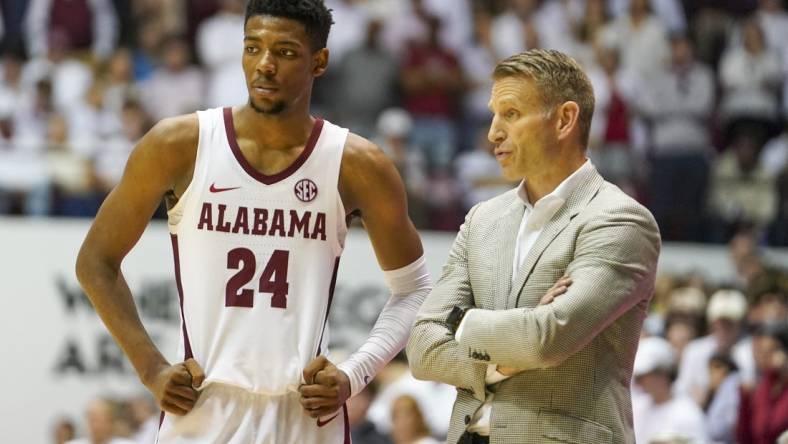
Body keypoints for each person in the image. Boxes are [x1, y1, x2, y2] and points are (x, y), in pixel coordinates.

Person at [75, 1, 431, 443]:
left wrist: (354, 374)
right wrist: (150, 368)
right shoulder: (178, 144)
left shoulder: (357, 165)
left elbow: (416, 288)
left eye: (284, 52)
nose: (264, 65)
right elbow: (95, 261)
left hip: (304, 413)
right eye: (252, 47)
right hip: (202, 407)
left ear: (318, 61)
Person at [407, 49, 661, 444]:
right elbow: (421, 347)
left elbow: (546, 339)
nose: (492, 132)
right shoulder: (482, 219)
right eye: (493, 115)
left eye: (510, 114)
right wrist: (501, 365)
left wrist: (461, 323)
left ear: (564, 120)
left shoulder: (620, 220)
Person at [631, 336, 708, 444]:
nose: (639, 382)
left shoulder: (688, 414)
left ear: (663, 373)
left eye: (644, 376)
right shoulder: (637, 407)